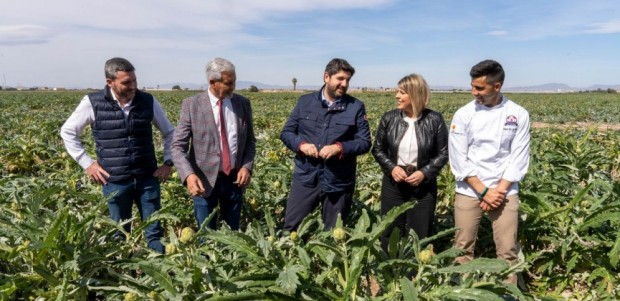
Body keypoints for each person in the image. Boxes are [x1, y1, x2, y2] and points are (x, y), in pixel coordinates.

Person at [60, 57, 174, 254]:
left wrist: (168, 162)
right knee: (119, 233)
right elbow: (68, 132)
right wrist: (87, 163)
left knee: (154, 230)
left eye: (134, 80)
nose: (133, 86)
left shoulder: (147, 101)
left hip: (147, 178)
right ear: (109, 82)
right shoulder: (92, 103)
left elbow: (170, 132)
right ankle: (125, 275)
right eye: (126, 82)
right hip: (115, 181)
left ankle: (161, 275)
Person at [448, 59, 530, 284]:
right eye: (473, 86)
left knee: (507, 251)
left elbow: (518, 157)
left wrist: (498, 190)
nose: (474, 92)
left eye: (480, 88)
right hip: (470, 189)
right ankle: (461, 293)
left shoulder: (518, 114)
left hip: (504, 190)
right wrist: (483, 191)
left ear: (497, 86)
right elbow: (458, 158)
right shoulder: (463, 114)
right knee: (462, 249)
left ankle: (508, 294)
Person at [280, 58, 371, 231]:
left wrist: (339, 148)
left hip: (338, 180)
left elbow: (365, 142)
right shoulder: (304, 102)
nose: (344, 84)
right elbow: (287, 133)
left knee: (334, 233)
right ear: (326, 77)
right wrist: (301, 145)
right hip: (307, 177)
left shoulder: (356, 107)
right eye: (340, 79)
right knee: (292, 228)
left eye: (347, 80)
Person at [171, 57, 256, 231]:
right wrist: (188, 175)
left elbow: (250, 141)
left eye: (234, 82)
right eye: (228, 83)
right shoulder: (191, 105)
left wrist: (246, 167)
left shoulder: (242, 103)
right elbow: (177, 146)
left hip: (234, 179)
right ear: (212, 82)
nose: (233, 87)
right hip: (204, 181)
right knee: (205, 234)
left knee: (232, 234)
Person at [371, 74, 449, 251]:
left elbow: (443, 153)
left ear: (415, 94)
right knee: (390, 230)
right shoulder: (389, 118)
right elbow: (377, 149)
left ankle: (413, 274)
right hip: (394, 183)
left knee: (420, 233)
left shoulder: (434, 120)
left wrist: (424, 173)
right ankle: (389, 270)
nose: (396, 96)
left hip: (423, 186)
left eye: (402, 92)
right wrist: (391, 168)